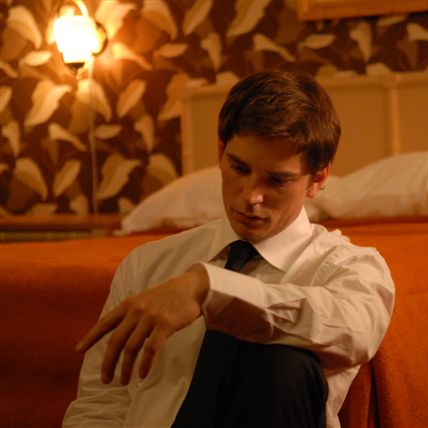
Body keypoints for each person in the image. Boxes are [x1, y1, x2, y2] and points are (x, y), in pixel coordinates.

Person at [63, 70, 395, 428]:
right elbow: (101, 404)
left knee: (283, 361)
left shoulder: (350, 268)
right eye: (239, 168)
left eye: (276, 180)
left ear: (317, 179)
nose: (251, 196)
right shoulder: (148, 263)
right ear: (220, 152)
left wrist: (209, 290)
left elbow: (354, 331)